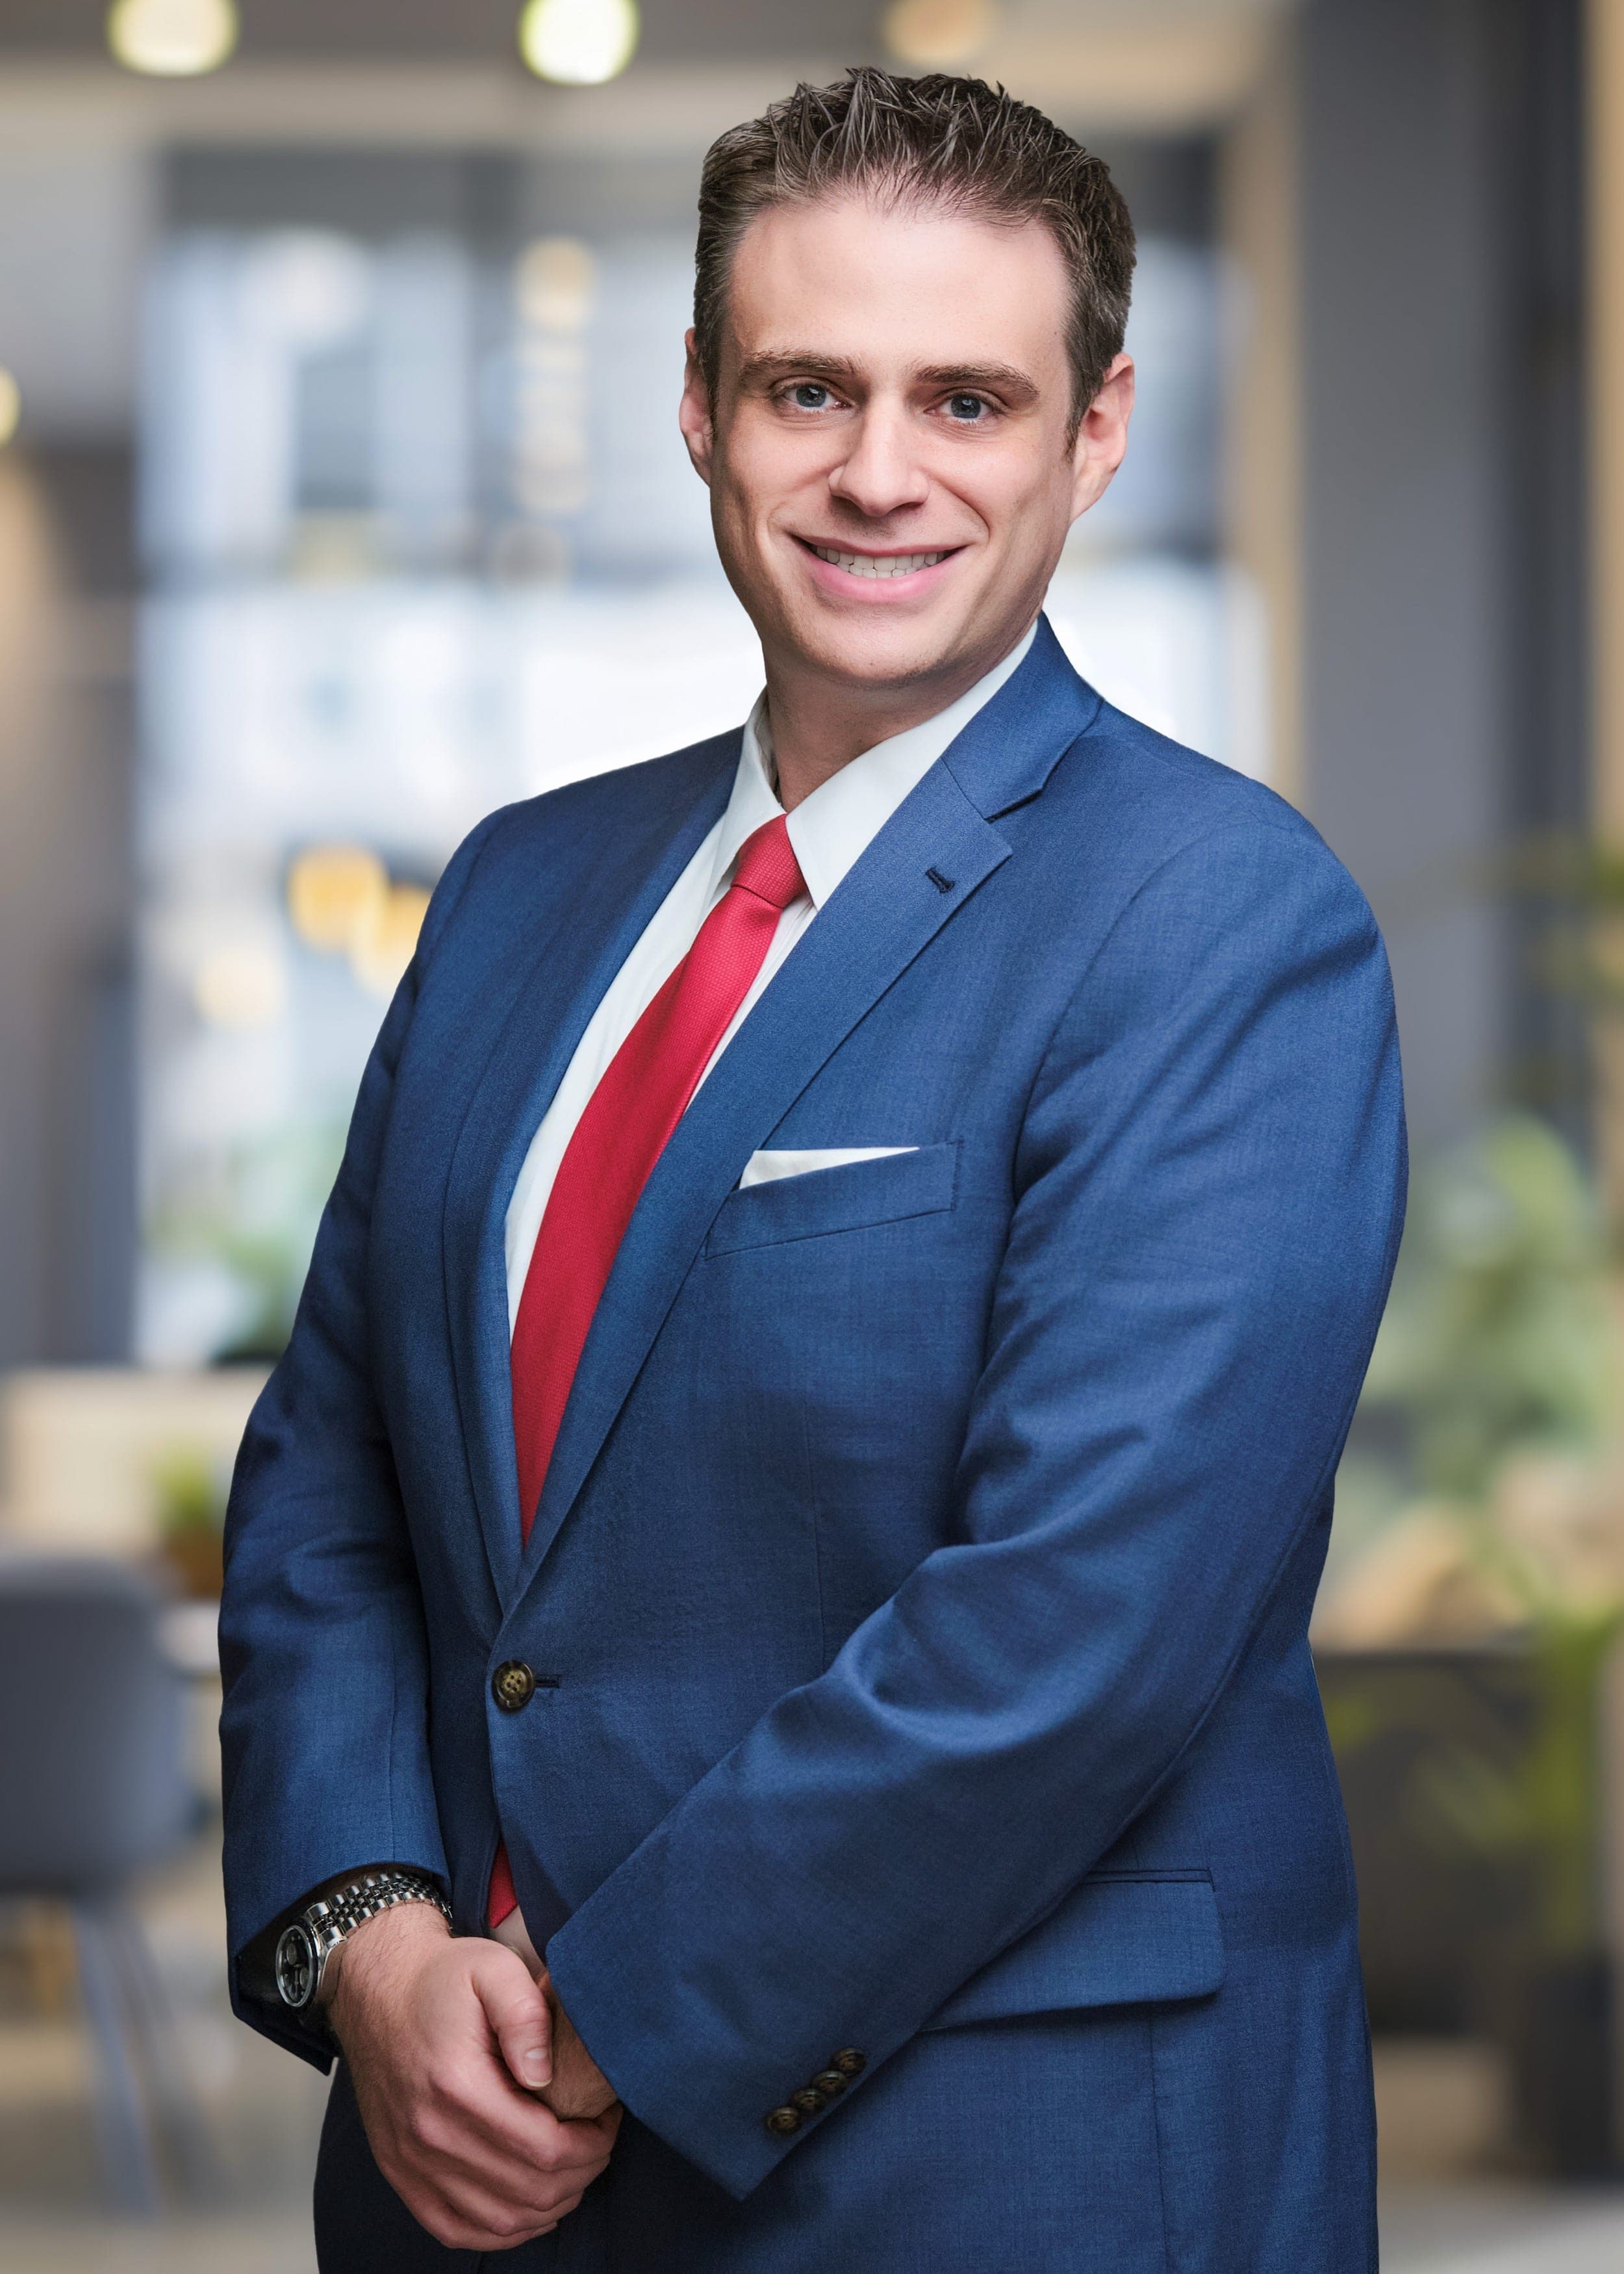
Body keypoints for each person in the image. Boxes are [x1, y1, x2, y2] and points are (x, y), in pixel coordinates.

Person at [221, 66, 1404, 2273]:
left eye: (967, 397)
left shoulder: (1219, 920)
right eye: (806, 388)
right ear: (696, 408)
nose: (879, 471)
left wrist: (598, 2017)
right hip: (448, 2159)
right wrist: (371, 1937)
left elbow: (1078, 1624)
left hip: (985, 2167)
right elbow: (328, 1477)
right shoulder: (510, 891)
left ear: (1096, 428)